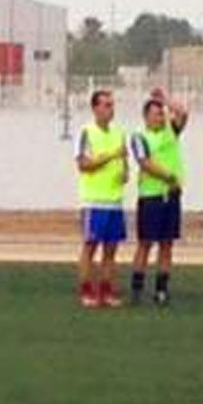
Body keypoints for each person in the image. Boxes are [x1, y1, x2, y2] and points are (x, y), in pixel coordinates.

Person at [127, 92, 188, 305]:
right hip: (151, 197)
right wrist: (168, 176)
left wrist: (166, 100)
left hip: (170, 196)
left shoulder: (170, 131)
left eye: (161, 114)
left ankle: (161, 290)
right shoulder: (139, 136)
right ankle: (137, 288)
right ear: (146, 117)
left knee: (167, 244)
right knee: (145, 243)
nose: (160, 118)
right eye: (155, 114)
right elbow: (144, 162)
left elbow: (182, 113)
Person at [74, 88, 131, 308]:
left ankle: (107, 290)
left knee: (111, 249)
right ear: (95, 108)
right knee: (90, 246)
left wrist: (125, 172)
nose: (110, 109)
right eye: (106, 105)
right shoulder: (86, 132)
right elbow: (83, 164)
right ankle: (87, 290)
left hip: (114, 201)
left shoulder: (118, 134)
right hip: (94, 201)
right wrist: (108, 157)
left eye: (112, 105)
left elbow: (124, 163)